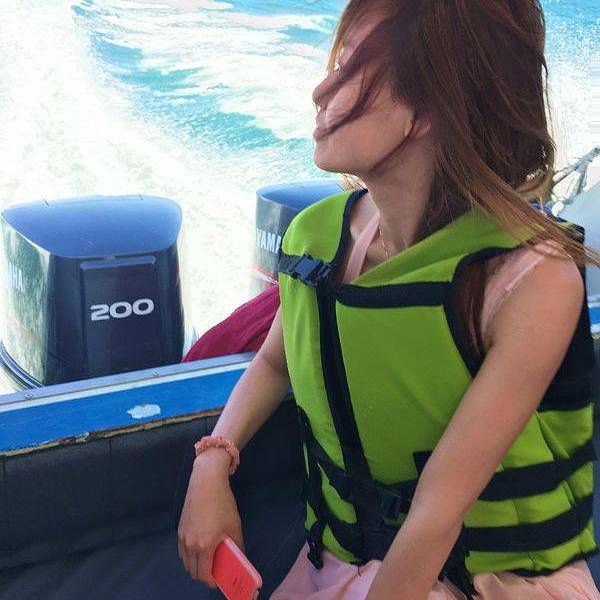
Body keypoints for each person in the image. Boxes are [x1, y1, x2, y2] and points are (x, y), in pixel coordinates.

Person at [177, 1, 600, 598]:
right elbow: (274, 362)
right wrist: (212, 463)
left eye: (351, 71)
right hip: (336, 565)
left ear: (429, 106)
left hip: (490, 582)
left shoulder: (530, 280)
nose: (320, 92)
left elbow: (434, 515)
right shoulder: (315, 240)